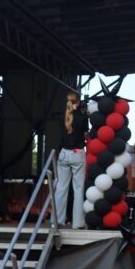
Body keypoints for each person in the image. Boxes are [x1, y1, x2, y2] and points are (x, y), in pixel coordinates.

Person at [54, 90, 88, 228]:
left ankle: (57, 221)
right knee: (78, 189)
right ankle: (77, 223)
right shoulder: (83, 117)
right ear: (78, 102)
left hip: (63, 153)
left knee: (61, 188)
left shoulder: (61, 116)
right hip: (77, 153)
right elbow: (86, 136)